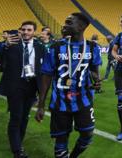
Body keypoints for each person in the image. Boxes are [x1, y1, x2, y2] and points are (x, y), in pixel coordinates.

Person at [35, 13, 102, 158]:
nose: (64, 25)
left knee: (88, 134)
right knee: (61, 137)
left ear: (81, 26)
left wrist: (96, 80)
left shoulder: (92, 48)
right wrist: (41, 105)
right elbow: (46, 77)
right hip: (60, 101)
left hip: (84, 100)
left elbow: (94, 71)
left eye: (69, 22)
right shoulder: (56, 47)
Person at [0, 21, 46, 158]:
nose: (25, 32)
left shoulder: (40, 47)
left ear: (34, 32)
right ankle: (17, 150)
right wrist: (5, 46)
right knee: (16, 117)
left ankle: (18, 143)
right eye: (23, 29)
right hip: (15, 86)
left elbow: (42, 69)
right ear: (20, 31)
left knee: (24, 118)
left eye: (29, 30)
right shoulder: (11, 46)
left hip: (31, 86)